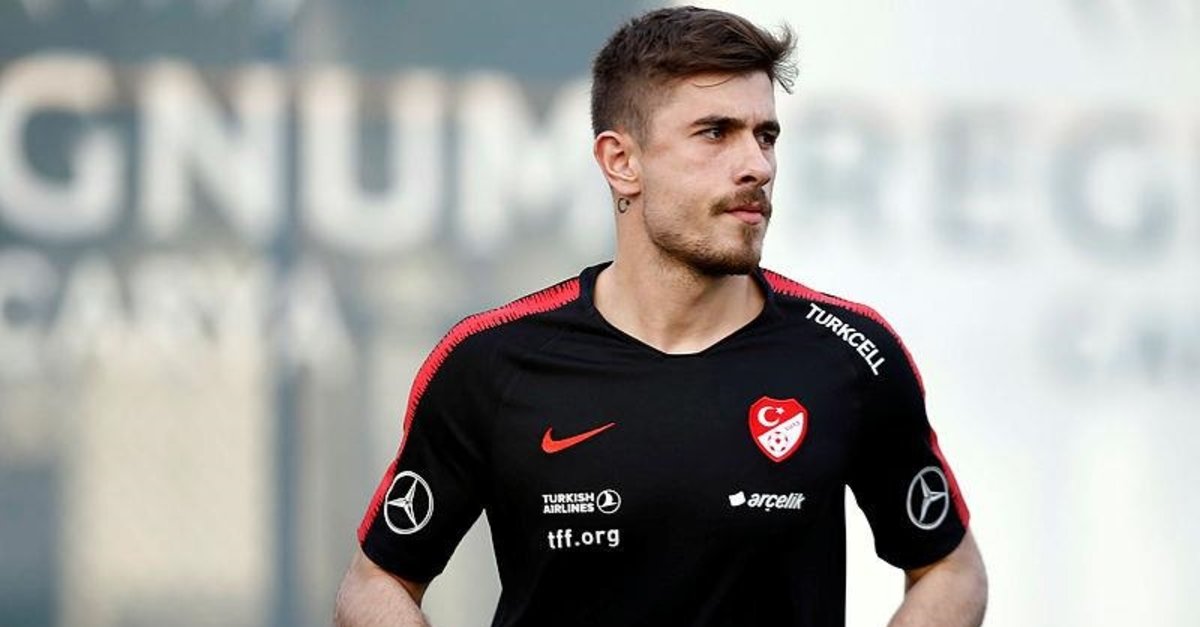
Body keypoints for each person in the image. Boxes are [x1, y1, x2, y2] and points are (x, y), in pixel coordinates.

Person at [335, 6, 987, 626]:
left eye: (765, 136)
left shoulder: (850, 353)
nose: (757, 166)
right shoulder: (491, 362)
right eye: (715, 133)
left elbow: (950, 568)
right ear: (621, 162)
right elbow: (376, 581)